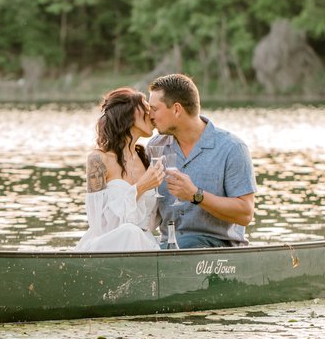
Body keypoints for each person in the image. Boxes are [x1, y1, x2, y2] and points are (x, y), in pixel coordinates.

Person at [147, 74, 256, 248]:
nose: (149, 115)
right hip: (167, 249)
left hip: (218, 250)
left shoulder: (232, 148)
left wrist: (196, 195)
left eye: (154, 109)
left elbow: (245, 214)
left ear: (176, 109)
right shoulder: (155, 147)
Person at [74, 87, 165, 252]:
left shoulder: (147, 158)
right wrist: (141, 187)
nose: (150, 113)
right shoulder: (98, 160)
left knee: (139, 235)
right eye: (145, 107)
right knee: (130, 232)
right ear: (127, 114)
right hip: (106, 248)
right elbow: (98, 224)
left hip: (143, 245)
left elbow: (152, 220)